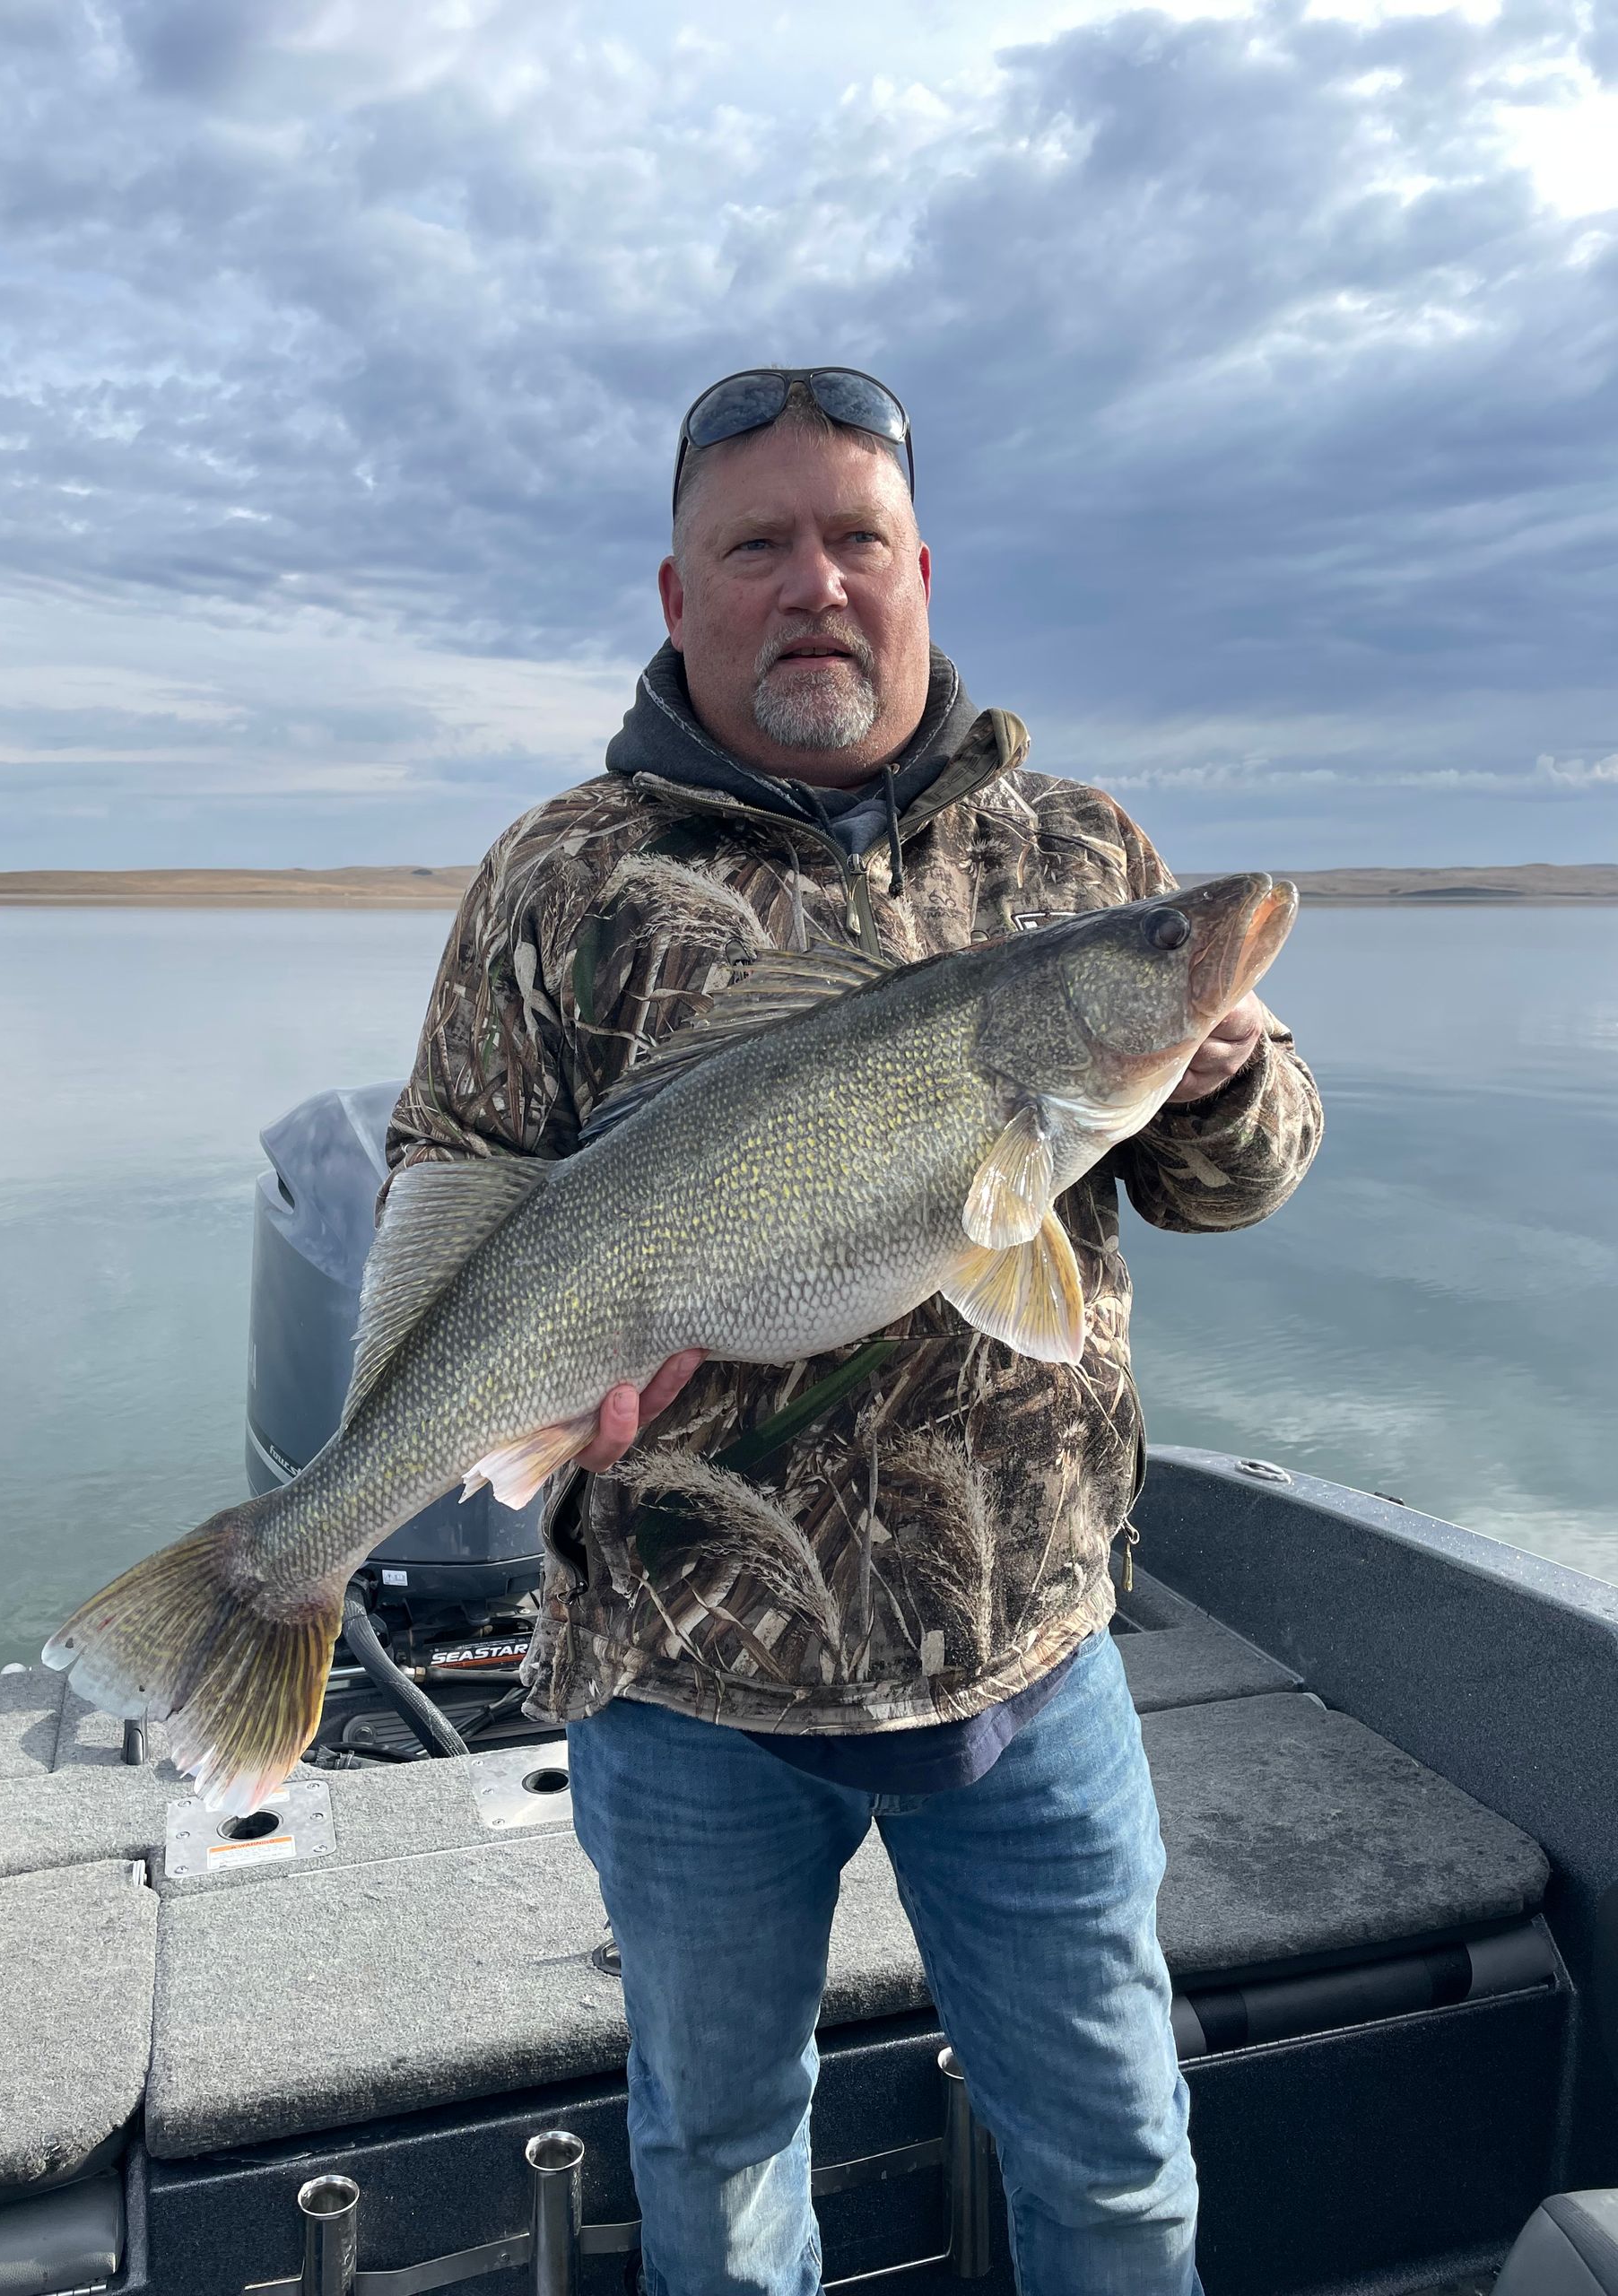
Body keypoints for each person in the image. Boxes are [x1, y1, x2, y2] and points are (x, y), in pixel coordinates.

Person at [386, 366, 1323, 2296]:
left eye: (855, 540)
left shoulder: (1082, 856)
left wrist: (1216, 1066)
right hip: (681, 1688)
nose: (814, 583)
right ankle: (264, 1575)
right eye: (759, 544)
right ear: (675, 595)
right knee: (721, 2180)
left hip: (1031, 1666)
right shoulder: (559, 880)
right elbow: (453, 1172)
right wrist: (541, 1385)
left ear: (918, 571)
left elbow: (1239, 1178)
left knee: (1123, 2166)